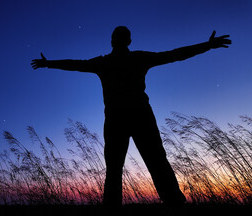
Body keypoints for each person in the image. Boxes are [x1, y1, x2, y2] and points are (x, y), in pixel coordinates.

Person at [31, 26, 231, 206]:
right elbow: (173, 55)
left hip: (118, 119)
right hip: (139, 116)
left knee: (118, 169)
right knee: (155, 163)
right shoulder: (135, 58)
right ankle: (175, 207)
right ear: (129, 41)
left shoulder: (105, 62)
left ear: (112, 41)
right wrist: (207, 46)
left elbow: (75, 64)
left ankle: (119, 212)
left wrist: (49, 63)